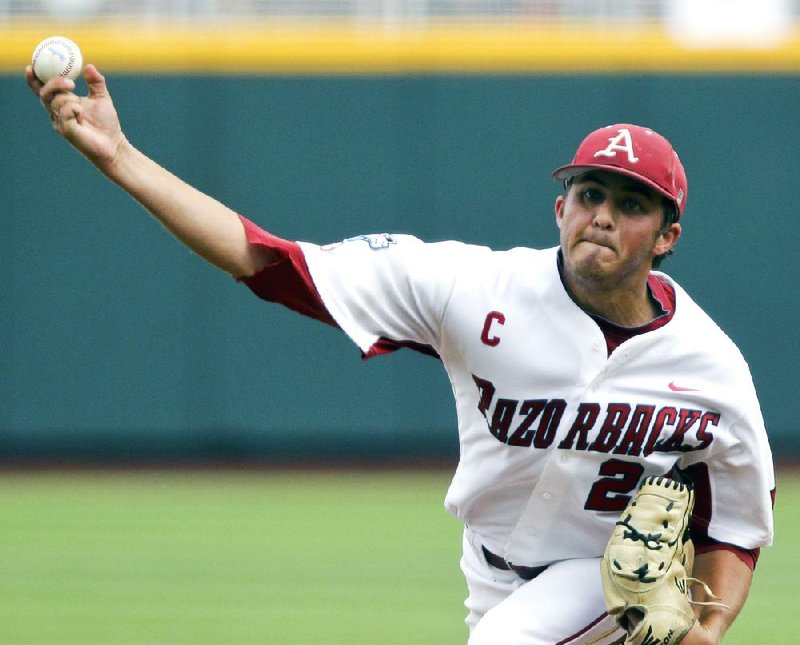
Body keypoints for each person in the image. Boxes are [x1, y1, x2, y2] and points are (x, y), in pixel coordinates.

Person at [27, 64, 774, 644]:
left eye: (632, 204)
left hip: (603, 582)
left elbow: (740, 520)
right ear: (560, 208)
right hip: (487, 573)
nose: (603, 216)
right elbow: (271, 262)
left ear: (667, 236)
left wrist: (710, 624)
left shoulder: (709, 366)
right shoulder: (472, 287)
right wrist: (119, 156)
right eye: (590, 194)